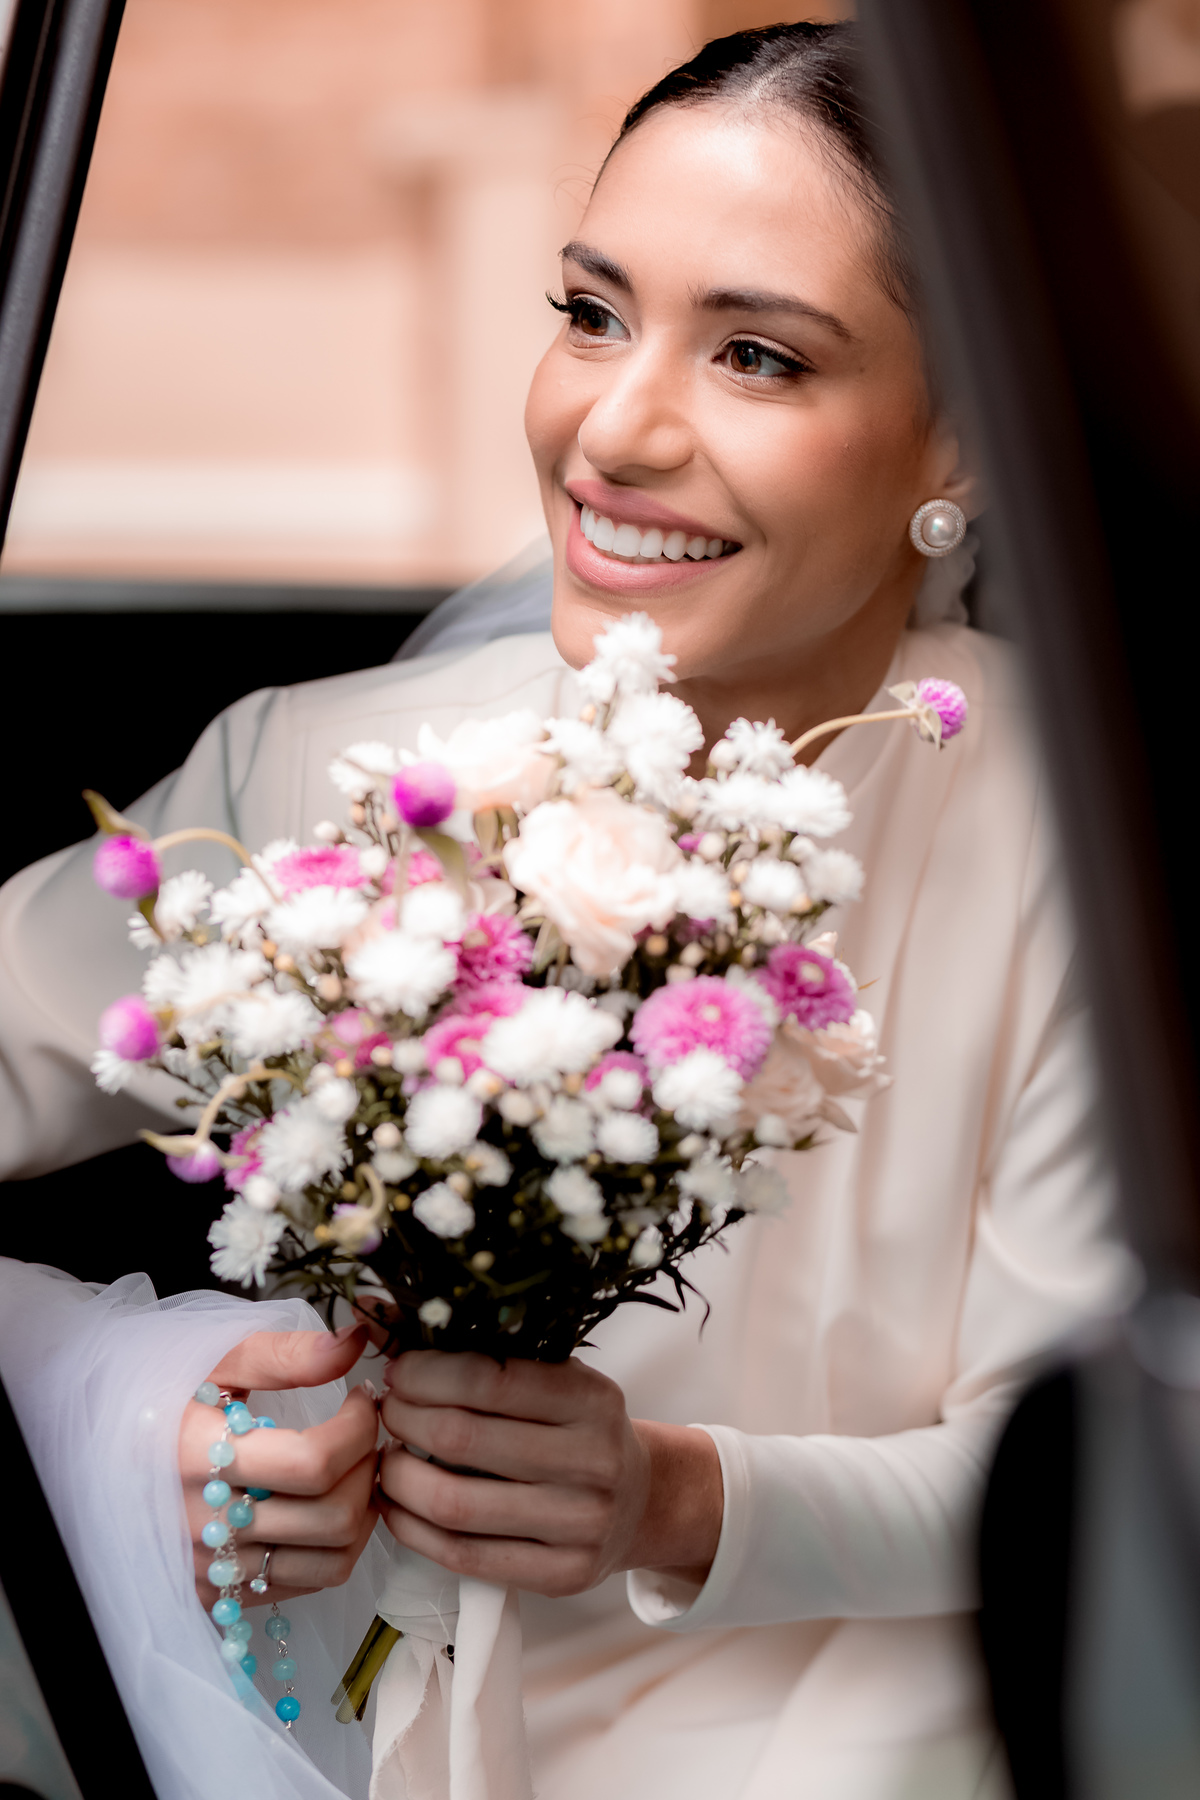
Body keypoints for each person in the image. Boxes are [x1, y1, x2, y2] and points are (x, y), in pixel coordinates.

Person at [0, 23, 1135, 1800]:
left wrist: (683, 1497)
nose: (612, 428)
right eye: (593, 313)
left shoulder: (1101, 849)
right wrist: (146, 1414)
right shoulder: (320, 778)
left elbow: (1099, 1479)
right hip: (372, 1725)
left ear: (965, 437)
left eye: (756, 354)